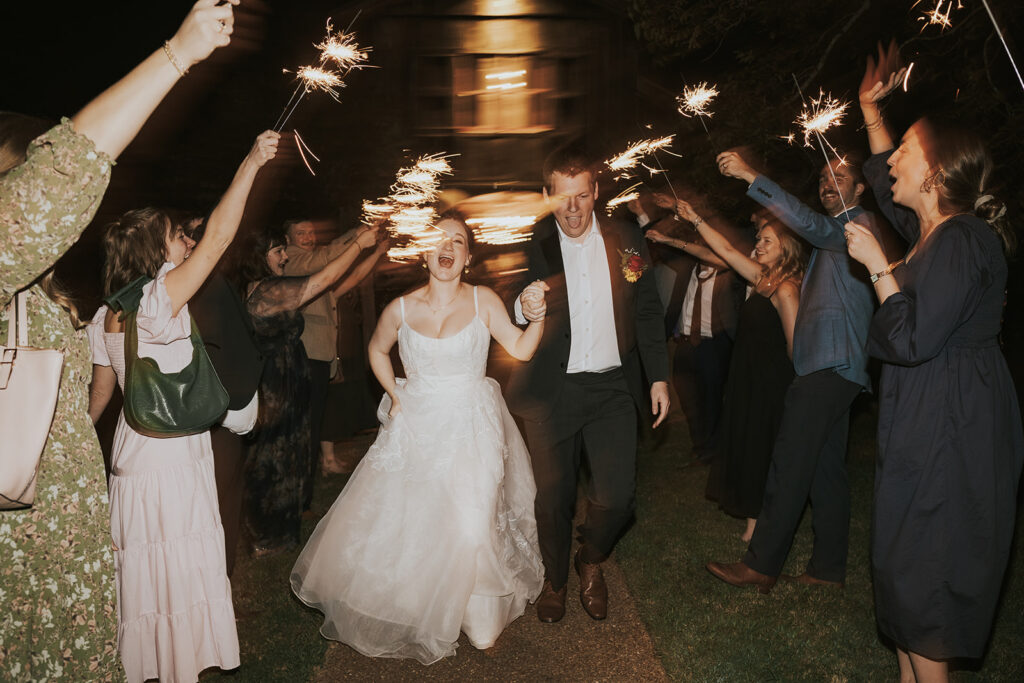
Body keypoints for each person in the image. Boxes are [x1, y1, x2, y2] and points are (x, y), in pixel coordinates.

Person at [0, 2, 238, 679]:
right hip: (31, 543)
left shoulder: (53, 303)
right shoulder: (140, 300)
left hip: (74, 520)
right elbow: (67, 171)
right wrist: (178, 54)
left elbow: (86, 398)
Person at [291, 211, 547, 663]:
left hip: (473, 423)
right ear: (424, 252)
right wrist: (394, 393)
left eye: (459, 241)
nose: (447, 247)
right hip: (419, 427)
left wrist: (537, 318)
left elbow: (522, 348)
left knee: (471, 524)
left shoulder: (484, 299)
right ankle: (425, 604)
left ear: (468, 257)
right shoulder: (401, 308)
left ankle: (477, 614)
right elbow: (375, 349)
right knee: (423, 520)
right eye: (439, 239)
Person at [842, 45, 1023, 682]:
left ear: (937, 171)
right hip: (924, 417)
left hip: (952, 427)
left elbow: (914, 337)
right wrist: (870, 110)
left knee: (928, 578)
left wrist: (877, 268)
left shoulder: (965, 239)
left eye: (906, 153)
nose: (892, 160)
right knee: (903, 573)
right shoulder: (931, 232)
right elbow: (889, 186)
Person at [94, 130, 278, 682]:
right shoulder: (158, 300)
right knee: (178, 568)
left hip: (132, 455)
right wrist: (249, 163)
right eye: (177, 238)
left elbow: (100, 401)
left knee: (147, 573)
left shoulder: (107, 316)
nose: (186, 245)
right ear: (157, 251)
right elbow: (220, 236)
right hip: (172, 458)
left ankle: (149, 665)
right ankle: (181, 668)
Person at [505, 146, 671, 623]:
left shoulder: (627, 239)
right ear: (547, 196)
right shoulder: (533, 242)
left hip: (614, 388)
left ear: (596, 192)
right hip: (552, 391)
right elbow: (510, 300)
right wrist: (524, 306)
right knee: (552, 498)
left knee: (618, 497)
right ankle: (555, 580)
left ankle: (590, 558)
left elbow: (645, 308)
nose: (573, 209)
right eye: (562, 197)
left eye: (582, 196)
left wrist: (658, 375)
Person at [706, 147, 883, 592]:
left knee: (788, 462)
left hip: (829, 367)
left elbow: (806, 222)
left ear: (860, 189)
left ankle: (761, 563)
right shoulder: (840, 234)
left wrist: (751, 174)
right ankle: (828, 569)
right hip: (839, 369)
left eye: (839, 177)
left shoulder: (854, 225)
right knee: (826, 472)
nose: (827, 183)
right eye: (822, 177)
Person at [648, 202, 804, 543]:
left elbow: (796, 348)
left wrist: (787, 388)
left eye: (767, 242)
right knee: (748, 446)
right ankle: (753, 519)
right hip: (748, 377)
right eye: (759, 239)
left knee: (763, 449)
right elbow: (727, 250)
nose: (758, 245)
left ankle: (764, 521)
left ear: (786, 250)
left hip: (771, 383)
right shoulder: (764, 279)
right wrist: (693, 219)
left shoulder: (787, 288)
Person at [241, 222, 380, 557]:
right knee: (274, 455)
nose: (284, 256)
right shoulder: (264, 291)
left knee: (293, 453)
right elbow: (326, 277)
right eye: (277, 251)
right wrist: (358, 243)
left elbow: (335, 284)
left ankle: (283, 530)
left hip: (291, 378)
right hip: (276, 384)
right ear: (261, 256)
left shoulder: (274, 286)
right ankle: (264, 534)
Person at [282, 219, 369, 503]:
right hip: (305, 357)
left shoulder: (314, 268)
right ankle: (300, 498)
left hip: (320, 356)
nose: (308, 237)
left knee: (314, 423)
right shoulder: (294, 261)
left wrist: (376, 251)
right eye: (300, 233)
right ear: (287, 238)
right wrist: (356, 237)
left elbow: (349, 277)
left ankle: (305, 492)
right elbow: (326, 257)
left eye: (311, 232)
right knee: (306, 427)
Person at [654, 211, 744, 465]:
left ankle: (714, 450)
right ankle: (700, 445)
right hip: (683, 346)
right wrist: (642, 216)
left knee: (712, 397)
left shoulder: (731, 275)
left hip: (713, 346)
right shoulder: (685, 269)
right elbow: (660, 245)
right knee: (687, 398)